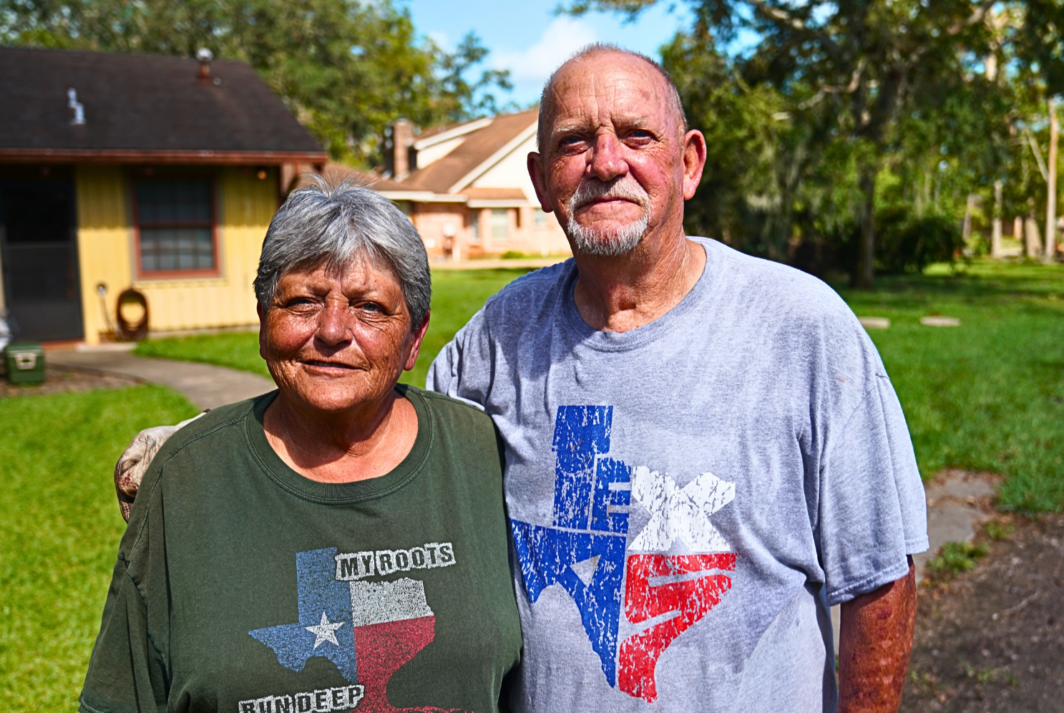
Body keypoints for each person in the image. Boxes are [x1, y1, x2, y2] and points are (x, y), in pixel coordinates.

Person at [113, 45, 927, 713]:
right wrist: (211, 447)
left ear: (689, 163)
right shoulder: (498, 339)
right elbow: (378, 428)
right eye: (576, 141)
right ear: (541, 181)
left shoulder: (801, 327)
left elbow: (879, 577)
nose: (606, 162)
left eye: (636, 137)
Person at [81, 182, 521, 713]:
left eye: (370, 308)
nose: (333, 330)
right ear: (264, 322)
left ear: (415, 339)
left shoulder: (481, 454)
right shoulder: (185, 478)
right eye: (303, 301)